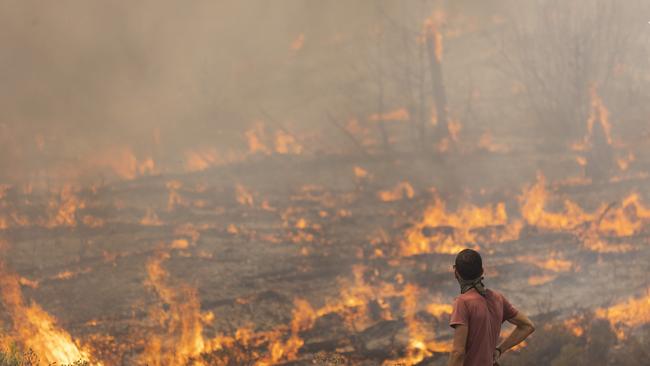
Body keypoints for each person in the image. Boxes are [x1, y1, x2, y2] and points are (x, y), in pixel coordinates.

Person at [447, 249, 535, 366]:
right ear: (482, 271)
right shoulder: (497, 298)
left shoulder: (462, 302)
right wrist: (499, 350)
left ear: (456, 273)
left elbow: (458, 352)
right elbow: (527, 326)